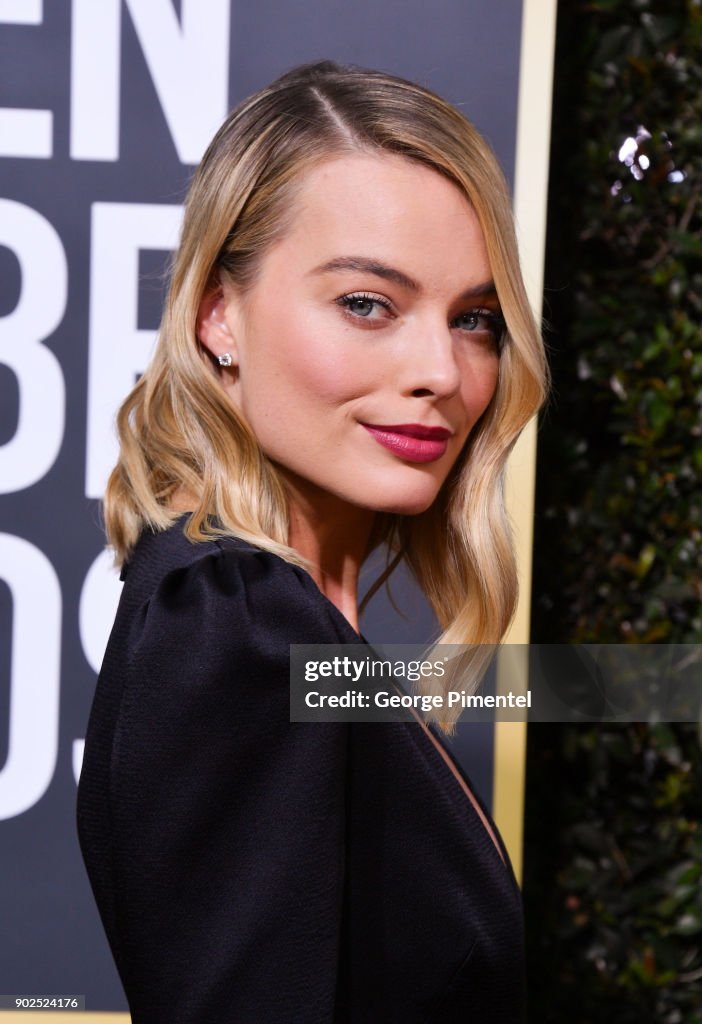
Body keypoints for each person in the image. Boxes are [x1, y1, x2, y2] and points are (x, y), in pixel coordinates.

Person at [76, 59, 547, 1023]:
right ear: (218, 316)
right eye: (368, 304)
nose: (440, 371)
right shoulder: (236, 624)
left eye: (475, 320)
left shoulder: (291, 624)